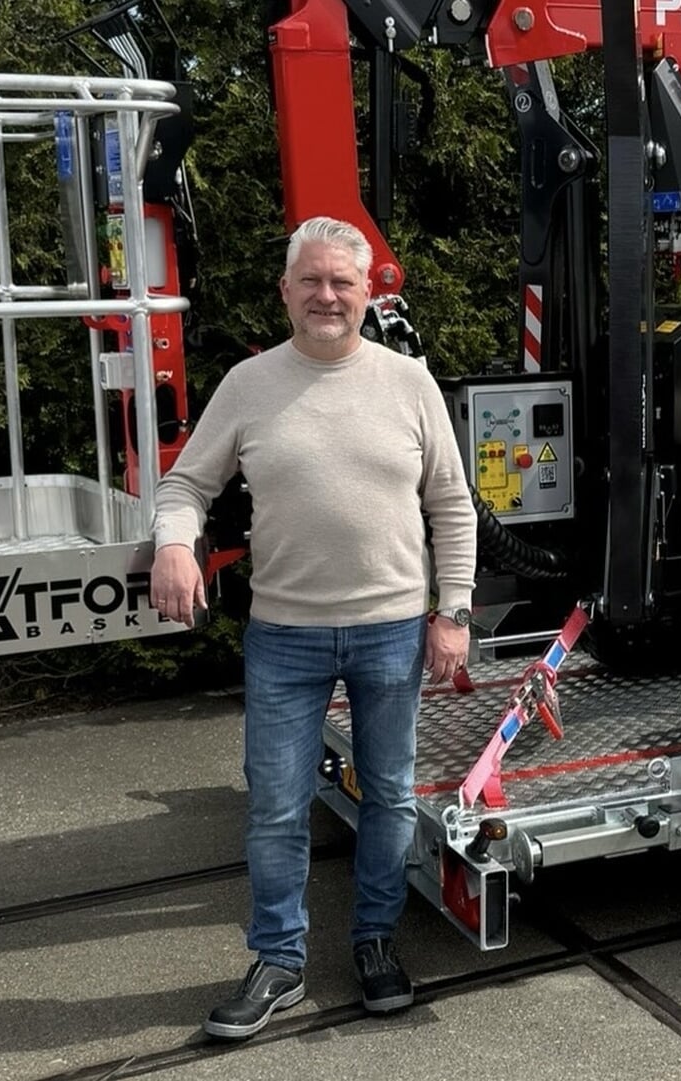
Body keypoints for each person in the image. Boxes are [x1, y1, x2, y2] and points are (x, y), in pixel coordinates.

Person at [150, 216, 477, 1038]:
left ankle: (373, 942)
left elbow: (452, 505)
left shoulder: (409, 383)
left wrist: (455, 613)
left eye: (343, 282)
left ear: (369, 292)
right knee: (276, 808)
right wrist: (174, 548)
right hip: (285, 637)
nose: (327, 295)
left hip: (393, 632)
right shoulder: (250, 383)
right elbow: (185, 485)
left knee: (392, 799)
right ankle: (281, 962)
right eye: (312, 281)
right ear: (286, 292)